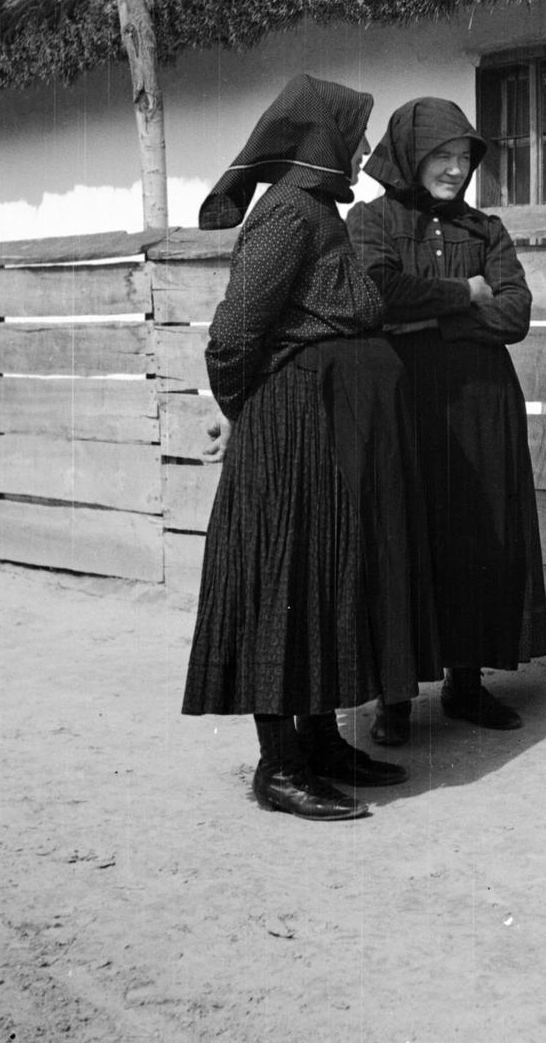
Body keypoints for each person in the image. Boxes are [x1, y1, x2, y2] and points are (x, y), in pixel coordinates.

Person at [181, 74, 439, 821]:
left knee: (325, 574)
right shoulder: (288, 215)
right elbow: (233, 335)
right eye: (355, 136)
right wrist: (250, 411)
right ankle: (278, 765)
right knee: (283, 576)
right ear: (322, 140)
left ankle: (320, 741)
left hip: (327, 419)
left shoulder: (315, 210)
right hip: (293, 420)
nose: (364, 149)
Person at [348, 98, 546, 742]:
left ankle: (467, 684)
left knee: (474, 536)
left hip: (479, 407)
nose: (455, 170)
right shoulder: (371, 220)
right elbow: (375, 296)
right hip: (403, 403)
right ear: (409, 154)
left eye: (464, 158)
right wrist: (463, 296)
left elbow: (514, 314)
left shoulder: (485, 230)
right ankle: (395, 700)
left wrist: (426, 316)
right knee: (403, 536)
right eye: (443, 156)